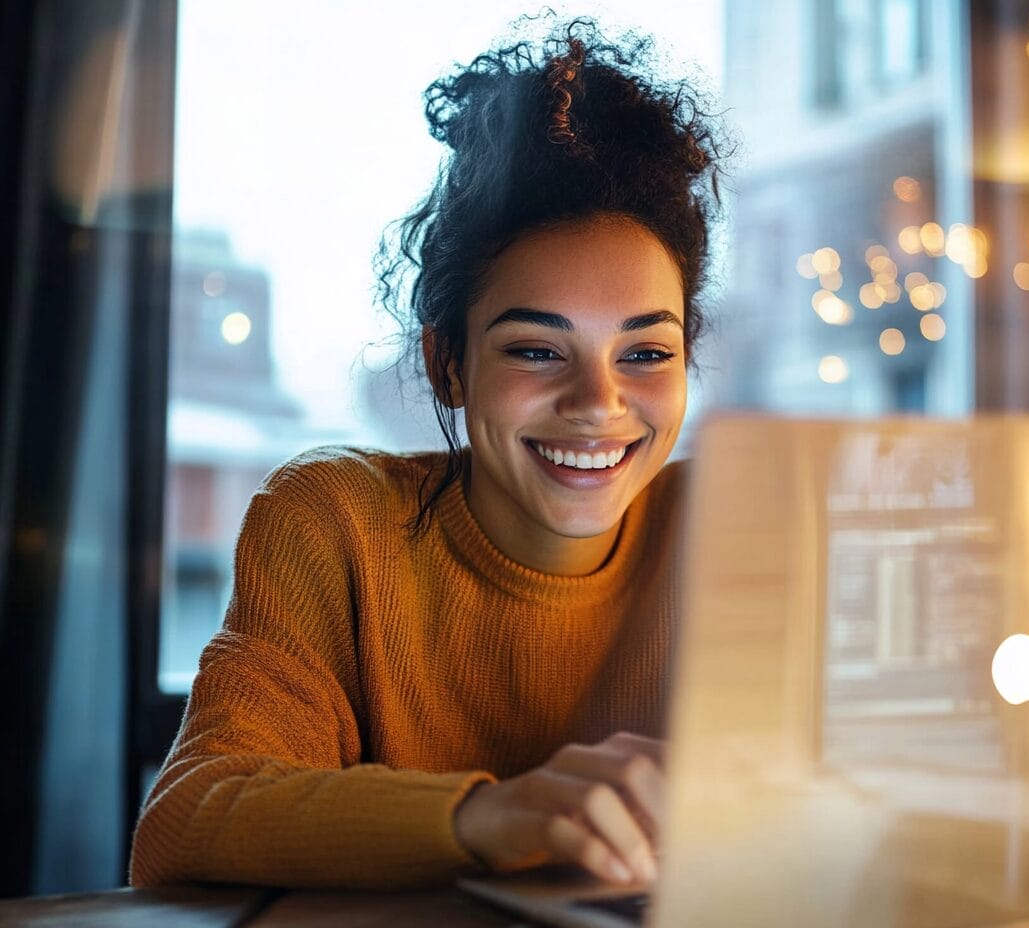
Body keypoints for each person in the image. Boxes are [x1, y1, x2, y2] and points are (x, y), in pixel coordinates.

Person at [129, 16, 726, 891]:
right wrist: (487, 815)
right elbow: (185, 823)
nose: (599, 404)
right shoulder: (337, 523)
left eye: (646, 353)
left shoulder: (731, 525)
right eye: (535, 349)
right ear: (449, 363)